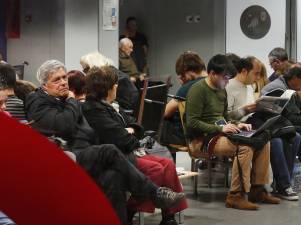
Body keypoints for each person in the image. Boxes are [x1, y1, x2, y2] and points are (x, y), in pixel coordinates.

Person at [25, 60, 185, 225]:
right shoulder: (38, 100)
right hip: (62, 158)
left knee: (113, 175)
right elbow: (64, 125)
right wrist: (73, 100)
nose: (63, 82)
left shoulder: (73, 102)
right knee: (111, 150)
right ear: (44, 85)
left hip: (84, 153)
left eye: (64, 77)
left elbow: (133, 125)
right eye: (56, 79)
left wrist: (130, 131)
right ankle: (155, 194)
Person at [82, 66, 188, 225]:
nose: (117, 87)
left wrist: (131, 130)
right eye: (115, 84)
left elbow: (136, 126)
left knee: (166, 163)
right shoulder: (94, 109)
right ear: (109, 87)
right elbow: (124, 140)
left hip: (127, 152)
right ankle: (130, 211)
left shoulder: (112, 105)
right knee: (156, 169)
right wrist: (131, 133)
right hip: (119, 155)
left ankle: (169, 217)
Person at [185, 54, 280, 210]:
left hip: (219, 133)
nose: (227, 82)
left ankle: (257, 189)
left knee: (263, 141)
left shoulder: (221, 90)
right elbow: (192, 123)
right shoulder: (197, 90)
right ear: (212, 73)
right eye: (225, 78)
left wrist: (237, 124)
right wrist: (220, 128)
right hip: (201, 140)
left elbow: (224, 116)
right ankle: (235, 196)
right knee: (244, 147)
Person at [226, 56, 301, 201]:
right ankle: (282, 185)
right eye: (256, 73)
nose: (258, 77)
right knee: (275, 142)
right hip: (240, 127)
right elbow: (227, 116)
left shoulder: (248, 86)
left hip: (255, 122)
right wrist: (246, 110)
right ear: (243, 71)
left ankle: (283, 182)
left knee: (294, 136)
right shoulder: (229, 87)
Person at [161, 51, 206, 146]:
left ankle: (164, 159)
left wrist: (183, 86)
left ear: (187, 70)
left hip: (188, 137)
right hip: (209, 133)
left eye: (182, 75)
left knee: (160, 124)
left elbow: (165, 112)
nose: (182, 78)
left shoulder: (189, 87)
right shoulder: (215, 82)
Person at [80, 51, 139, 121]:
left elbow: (127, 103)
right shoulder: (110, 74)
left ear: (93, 65)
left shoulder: (114, 78)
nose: (86, 74)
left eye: (86, 70)